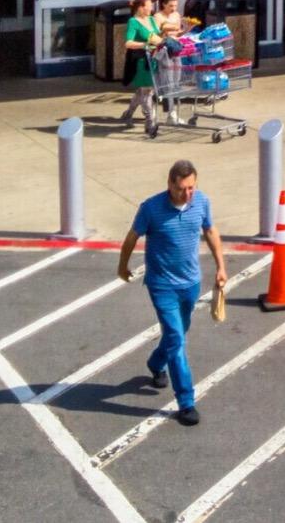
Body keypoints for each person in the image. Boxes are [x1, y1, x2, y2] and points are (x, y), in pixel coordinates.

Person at [117, 159, 226, 428]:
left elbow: (210, 230)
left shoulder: (201, 202)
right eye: (181, 189)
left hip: (190, 283)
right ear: (170, 184)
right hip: (162, 285)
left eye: (191, 188)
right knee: (177, 338)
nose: (187, 194)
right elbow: (132, 237)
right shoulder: (151, 208)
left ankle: (156, 363)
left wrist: (221, 267)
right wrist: (122, 265)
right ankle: (186, 402)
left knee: (178, 331)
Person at [119, 0, 163, 134]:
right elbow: (128, 43)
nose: (151, 9)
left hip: (154, 58)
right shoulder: (133, 22)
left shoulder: (151, 19)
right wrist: (144, 44)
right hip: (141, 60)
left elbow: (158, 36)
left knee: (144, 90)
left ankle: (128, 113)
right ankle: (149, 122)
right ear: (140, 8)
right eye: (149, 7)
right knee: (147, 91)